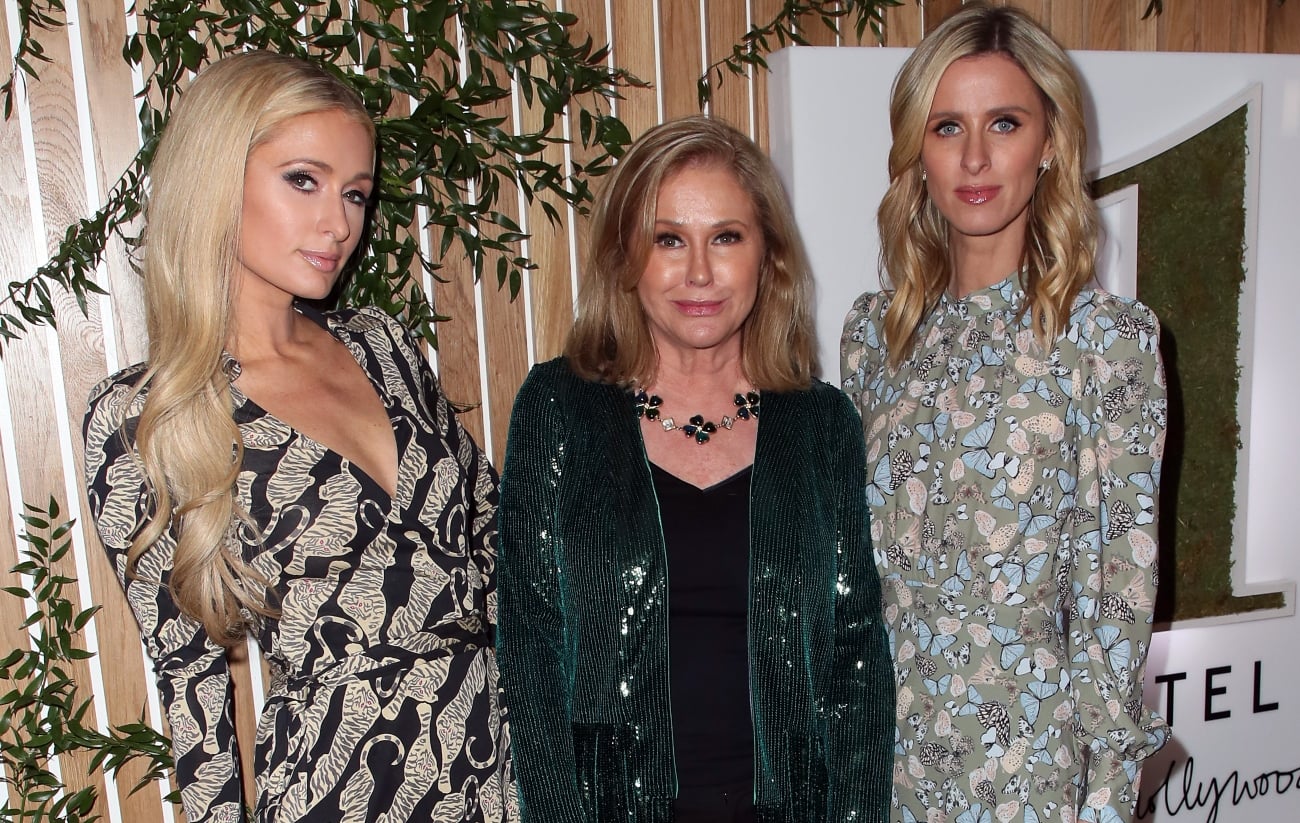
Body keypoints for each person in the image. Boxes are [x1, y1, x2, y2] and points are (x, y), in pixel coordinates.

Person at [82, 51, 515, 823]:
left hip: (497, 770)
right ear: (219, 178)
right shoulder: (143, 416)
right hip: (341, 789)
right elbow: (192, 683)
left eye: (355, 193)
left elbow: (502, 541)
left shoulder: (382, 344)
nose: (339, 223)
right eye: (304, 180)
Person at [496, 114, 893, 823]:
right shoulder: (560, 406)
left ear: (768, 255)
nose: (700, 272)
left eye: (727, 237)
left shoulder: (821, 422)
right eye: (669, 239)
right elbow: (529, 652)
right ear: (625, 257)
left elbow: (856, 663)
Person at [840, 5, 1169, 823]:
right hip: (883, 768)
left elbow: (1117, 601)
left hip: (1031, 776)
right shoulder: (875, 336)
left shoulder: (1106, 340)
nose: (975, 158)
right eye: (948, 126)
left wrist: (1103, 804)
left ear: (1049, 141)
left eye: (1005, 123)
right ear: (917, 148)